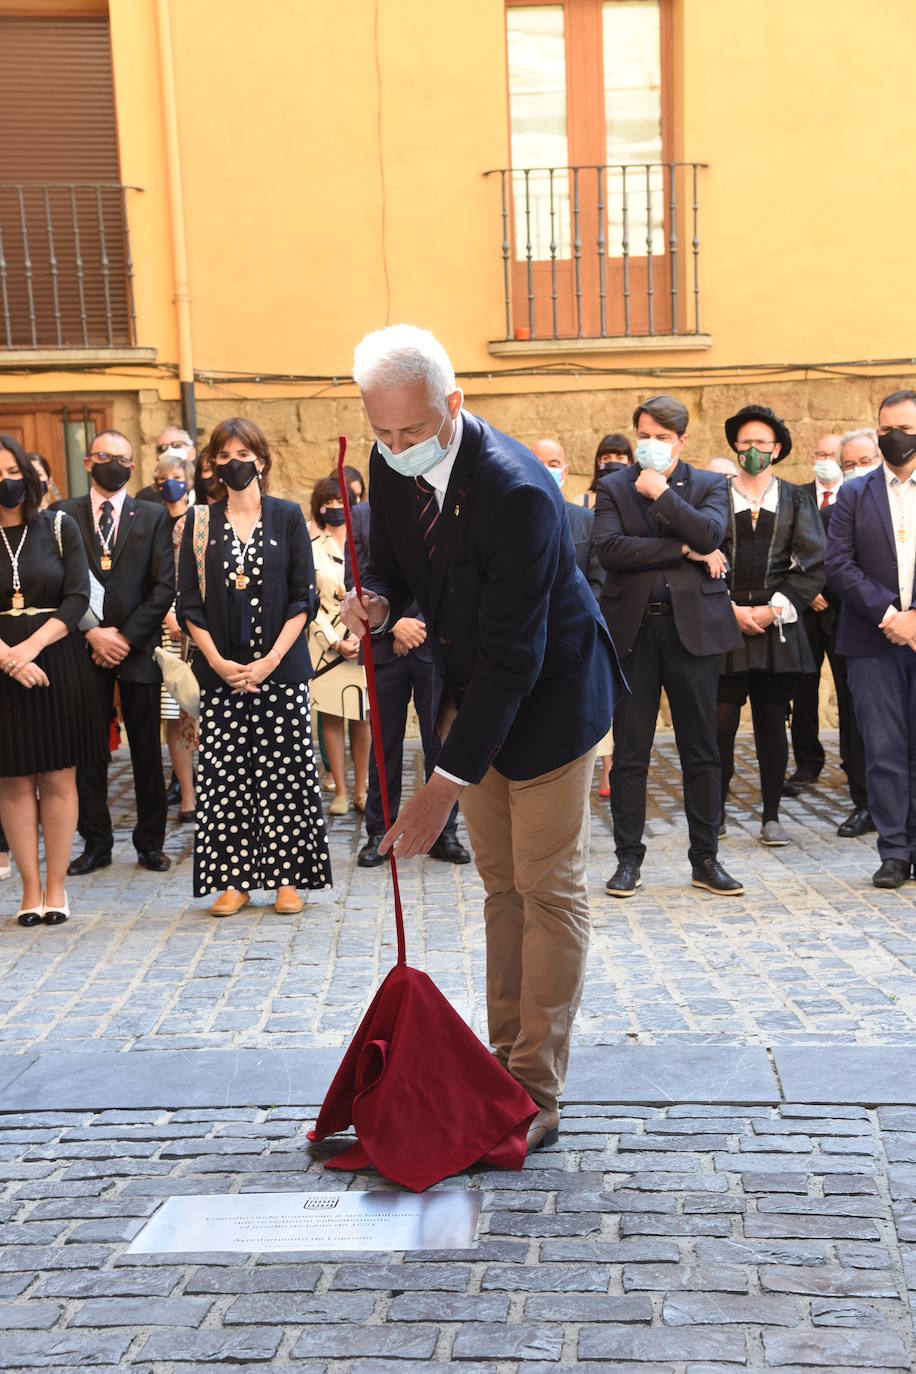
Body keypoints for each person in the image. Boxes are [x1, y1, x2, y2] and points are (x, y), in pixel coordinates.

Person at [342, 324, 623, 1154]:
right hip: (477, 693)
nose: (394, 448)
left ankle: (535, 1089)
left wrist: (443, 782)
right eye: (381, 433)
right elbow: (393, 560)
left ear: (452, 404)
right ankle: (500, 1064)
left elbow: (517, 659)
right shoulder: (389, 466)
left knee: (546, 885)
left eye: (411, 431)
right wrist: (381, 602)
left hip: (550, 702)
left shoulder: (519, 491)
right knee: (501, 887)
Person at [177, 417, 332, 915]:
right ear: (213, 466)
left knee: (285, 774)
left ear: (261, 461)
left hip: (279, 670)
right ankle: (234, 881)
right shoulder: (200, 524)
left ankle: (288, 879)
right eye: (223, 455)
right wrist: (219, 662)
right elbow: (189, 604)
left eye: (243, 454)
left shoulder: (288, 518)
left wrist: (269, 661)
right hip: (221, 672)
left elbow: (302, 599)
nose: (234, 463)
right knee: (225, 778)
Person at [593, 394, 744, 898]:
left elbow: (712, 530)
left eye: (661, 437)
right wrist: (683, 549)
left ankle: (706, 858)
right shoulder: (614, 485)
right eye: (644, 436)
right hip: (633, 632)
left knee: (701, 748)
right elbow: (609, 550)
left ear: (681, 441)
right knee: (631, 751)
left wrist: (661, 495)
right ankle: (628, 861)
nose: (650, 445)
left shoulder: (707, 484)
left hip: (692, 633)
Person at [54, 430, 174, 875]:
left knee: (146, 750)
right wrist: (94, 634)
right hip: (83, 648)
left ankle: (150, 843)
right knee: (89, 751)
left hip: (138, 647)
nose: (115, 465)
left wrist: (125, 637)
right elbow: (61, 585)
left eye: (123, 459)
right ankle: (96, 843)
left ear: (132, 467)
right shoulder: (61, 515)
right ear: (88, 462)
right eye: (106, 456)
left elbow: (164, 585)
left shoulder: (153, 515)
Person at [0, 436, 107, 925]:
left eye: (12, 470)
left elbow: (77, 596)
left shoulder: (59, 526)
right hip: (2, 669)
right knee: (15, 781)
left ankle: (57, 887)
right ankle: (29, 889)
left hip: (57, 662)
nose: (7, 481)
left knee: (60, 778)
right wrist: (9, 659)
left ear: (28, 474)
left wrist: (29, 649)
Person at [713, 405, 824, 847]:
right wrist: (729, 610)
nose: (753, 450)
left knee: (772, 723)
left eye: (762, 443)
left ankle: (772, 814)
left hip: (778, 626)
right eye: (745, 443)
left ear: (776, 450)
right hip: (724, 625)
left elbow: (814, 563)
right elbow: (701, 552)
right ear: (735, 448)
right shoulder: (715, 495)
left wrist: (772, 609)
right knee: (719, 725)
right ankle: (715, 811)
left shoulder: (797, 498)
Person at [345, 495, 469, 868]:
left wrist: (422, 625)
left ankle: (445, 831)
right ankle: (379, 831)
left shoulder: (444, 507)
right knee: (383, 743)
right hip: (384, 645)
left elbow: (455, 575)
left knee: (441, 742)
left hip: (436, 646)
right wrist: (394, 621)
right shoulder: (363, 514)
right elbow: (356, 576)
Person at [825, 390, 916, 888]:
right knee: (883, 750)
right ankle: (895, 851)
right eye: (884, 429)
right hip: (872, 641)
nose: (893, 437)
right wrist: (890, 615)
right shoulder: (854, 493)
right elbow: (838, 564)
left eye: (903, 427)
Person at [785, 434, 844, 796]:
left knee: (850, 691)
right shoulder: (797, 497)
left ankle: (856, 762)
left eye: (831, 455)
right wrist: (810, 593)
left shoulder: (858, 495)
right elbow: (789, 549)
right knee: (803, 689)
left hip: (842, 611)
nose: (824, 459)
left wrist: (829, 592)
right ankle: (807, 762)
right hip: (806, 611)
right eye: (819, 453)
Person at [308, 476, 370, 815]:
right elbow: (308, 599)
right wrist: (334, 640)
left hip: (363, 639)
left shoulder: (365, 540)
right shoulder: (312, 545)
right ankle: (341, 791)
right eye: (328, 502)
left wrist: (360, 636)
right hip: (325, 643)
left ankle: (362, 789)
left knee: (362, 716)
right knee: (331, 714)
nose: (335, 507)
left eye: (341, 500)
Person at [154, 449, 197, 822]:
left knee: (204, 711)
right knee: (175, 713)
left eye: (177, 477)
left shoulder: (200, 519)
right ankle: (187, 793)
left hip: (199, 628)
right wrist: (166, 613)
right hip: (165, 630)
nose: (170, 484)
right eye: (163, 478)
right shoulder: (151, 520)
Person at [530, 438, 603, 595]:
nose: (545, 470)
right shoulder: (510, 519)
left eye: (553, 465)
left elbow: (598, 583)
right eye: (538, 463)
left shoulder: (588, 521)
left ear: (565, 472)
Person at [136, 426, 196, 506]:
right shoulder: (145, 499)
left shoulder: (206, 490)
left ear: (192, 452)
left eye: (177, 445)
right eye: (162, 448)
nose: (169, 450)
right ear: (157, 458)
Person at [581, 434, 634, 509]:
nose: (612, 462)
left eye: (620, 458)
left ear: (629, 462)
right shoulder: (582, 501)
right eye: (606, 458)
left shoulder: (638, 499)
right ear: (599, 462)